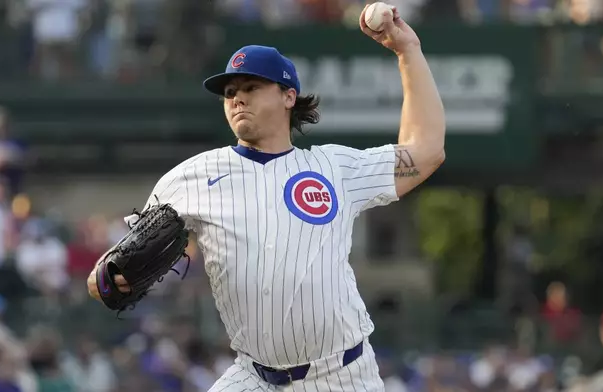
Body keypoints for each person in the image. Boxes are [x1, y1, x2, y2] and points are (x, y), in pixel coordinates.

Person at [87, 3, 445, 391]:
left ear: (288, 96)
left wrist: (407, 51)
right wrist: (107, 278)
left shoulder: (334, 169)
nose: (237, 99)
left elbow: (426, 151)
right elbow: (109, 270)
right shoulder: (189, 179)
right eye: (229, 92)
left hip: (342, 375)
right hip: (254, 377)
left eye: (251, 88)